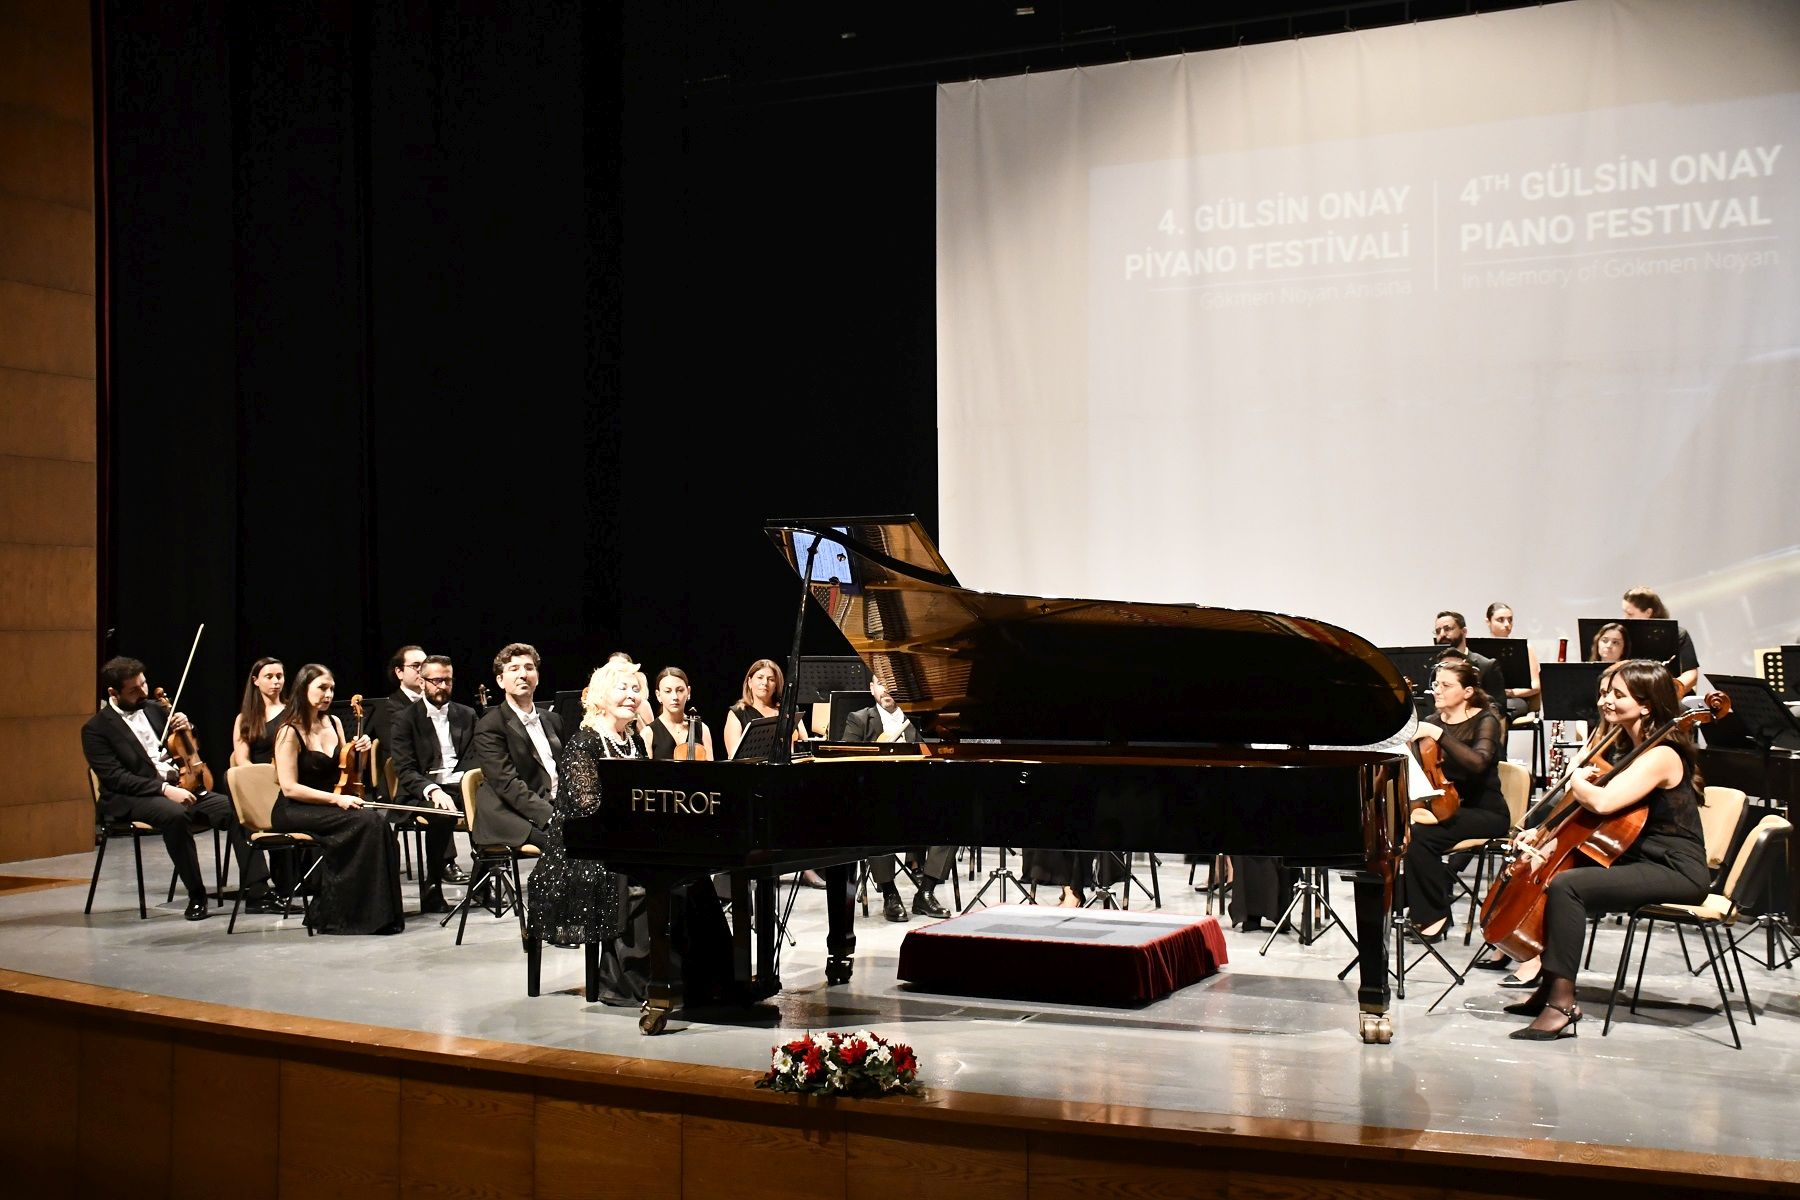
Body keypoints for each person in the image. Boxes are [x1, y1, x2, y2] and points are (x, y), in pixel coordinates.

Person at [1503, 660, 1709, 1040]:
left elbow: (1601, 802)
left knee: (1568, 887)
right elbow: (1590, 815)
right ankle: (1549, 987)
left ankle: (1561, 1003)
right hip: (1637, 858)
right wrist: (1544, 832)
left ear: (1646, 705)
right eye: (1603, 693)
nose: (1605, 702)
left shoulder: (1662, 754)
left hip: (1675, 869)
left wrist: (1575, 775)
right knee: (1561, 876)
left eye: (1617, 694)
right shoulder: (1625, 749)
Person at [544, 659, 733, 1007]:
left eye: (636, 690)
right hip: (587, 849)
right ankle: (652, 979)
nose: (632, 696)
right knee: (658, 880)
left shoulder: (631, 740)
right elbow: (589, 809)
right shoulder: (583, 743)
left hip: (628, 839)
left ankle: (707, 981)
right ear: (601, 695)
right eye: (623, 688)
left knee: (694, 878)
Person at [82, 656, 278, 919]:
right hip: (135, 796)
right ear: (113, 692)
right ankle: (196, 895)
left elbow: (186, 744)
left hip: (181, 786)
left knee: (237, 809)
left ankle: (258, 892)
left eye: (144, 683)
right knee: (175, 815)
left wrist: (188, 726)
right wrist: (164, 789)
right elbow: (116, 778)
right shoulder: (95, 729)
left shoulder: (154, 709)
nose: (143, 692)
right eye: (134, 690)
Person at [270, 663, 405, 934]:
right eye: (322, 688)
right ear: (303, 689)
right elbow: (290, 788)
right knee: (365, 823)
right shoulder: (288, 731)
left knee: (377, 823)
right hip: (295, 808)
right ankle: (340, 915)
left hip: (331, 803)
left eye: (331, 689)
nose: (328, 694)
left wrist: (362, 752)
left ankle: (373, 914)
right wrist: (336, 801)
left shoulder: (334, 722)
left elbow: (350, 770)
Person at [1403, 659, 1511, 943]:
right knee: (1402, 831)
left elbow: (1477, 763)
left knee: (1421, 837)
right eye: (1436, 684)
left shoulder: (1485, 720)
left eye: (1446, 685)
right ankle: (1411, 905)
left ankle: (1434, 916)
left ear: (1467, 692)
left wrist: (1439, 735)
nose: (1437, 690)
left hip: (1485, 812)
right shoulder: (1431, 722)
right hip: (1443, 807)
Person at [843, 678, 953, 921]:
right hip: (878, 801)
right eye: (881, 683)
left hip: (915, 801)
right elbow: (846, 765)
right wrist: (877, 751)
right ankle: (889, 894)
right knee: (875, 816)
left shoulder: (919, 720)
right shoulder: (859, 719)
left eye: (892, 683)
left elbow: (936, 759)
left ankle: (926, 892)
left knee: (951, 818)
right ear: (872, 688)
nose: (887, 689)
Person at [387, 654, 477, 912]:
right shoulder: (405, 718)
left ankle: (482, 883)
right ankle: (433, 886)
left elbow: (475, 756)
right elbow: (405, 769)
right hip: (422, 791)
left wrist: (465, 782)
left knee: (490, 805)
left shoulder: (467, 714)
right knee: (442, 814)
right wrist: (433, 789)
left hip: (459, 785)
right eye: (436, 681)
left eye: (447, 680)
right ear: (422, 682)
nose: (443, 686)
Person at [471, 642, 562, 848]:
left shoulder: (553, 719)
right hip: (513, 814)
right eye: (514, 669)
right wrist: (552, 816)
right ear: (500, 681)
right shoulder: (489, 726)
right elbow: (507, 784)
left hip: (554, 804)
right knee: (574, 844)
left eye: (529, 668)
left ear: (537, 677)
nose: (523, 675)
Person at [1621, 586, 1701, 697]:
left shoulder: (1678, 634)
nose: (1624, 618)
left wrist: (1669, 694)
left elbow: (1690, 674)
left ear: (1648, 612)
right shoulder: (1622, 636)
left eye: (1630, 614)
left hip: (1671, 698)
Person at [1431, 611, 1507, 717]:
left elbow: (1499, 706)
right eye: (1438, 631)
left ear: (1464, 631)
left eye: (1447, 629)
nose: (1442, 634)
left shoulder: (1487, 665)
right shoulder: (1433, 666)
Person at [643, 667, 715, 760]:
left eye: (680, 690)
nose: (675, 697)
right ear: (658, 695)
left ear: (688, 692)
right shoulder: (648, 733)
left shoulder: (702, 729)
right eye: (668, 691)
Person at [1484, 603, 1541, 720]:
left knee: (1497, 709)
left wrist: (1512, 692)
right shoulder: (1479, 649)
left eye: (1510, 620)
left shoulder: (1525, 648)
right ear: (1488, 622)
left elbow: (1536, 686)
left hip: (1515, 699)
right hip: (1487, 699)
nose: (1507, 624)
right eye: (1500, 620)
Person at [230, 657, 286, 767]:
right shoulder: (245, 718)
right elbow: (242, 759)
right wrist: (261, 775)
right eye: (269, 677)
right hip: (257, 773)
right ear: (255, 681)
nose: (275, 681)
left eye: (279, 676)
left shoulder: (293, 712)